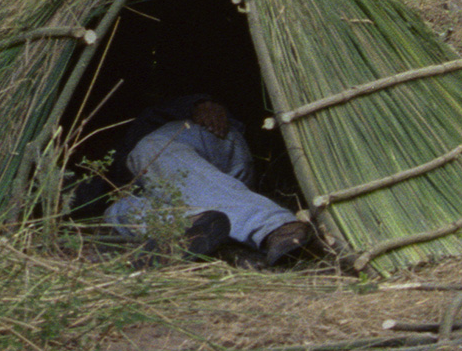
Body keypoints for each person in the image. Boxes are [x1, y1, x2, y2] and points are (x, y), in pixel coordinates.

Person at [104, 94, 313, 266]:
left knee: (151, 149)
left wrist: (197, 103)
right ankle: (204, 235)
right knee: (119, 210)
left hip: (211, 143)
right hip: (185, 194)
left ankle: (274, 225)